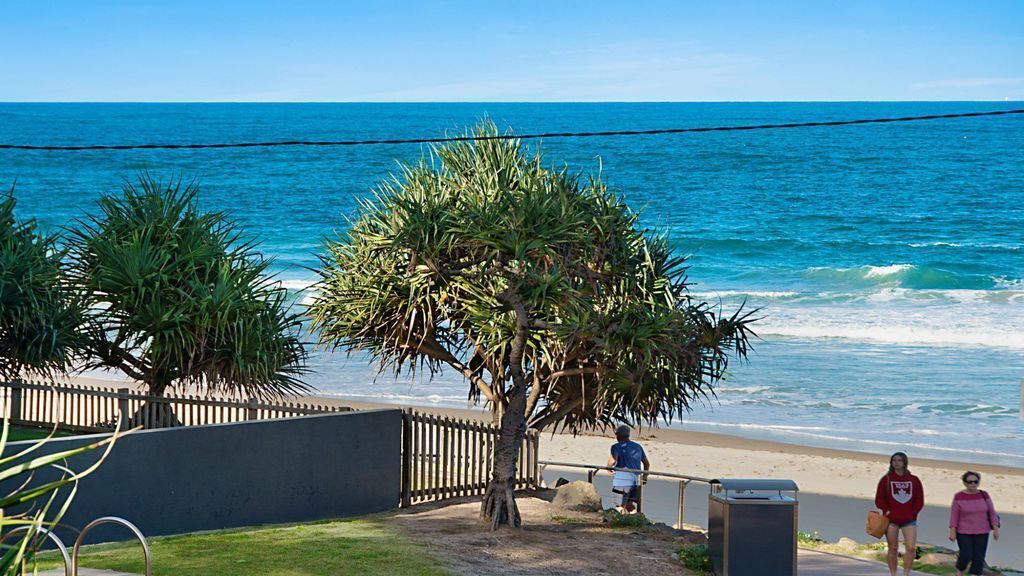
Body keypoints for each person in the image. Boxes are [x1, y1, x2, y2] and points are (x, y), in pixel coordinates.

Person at [875, 451, 924, 576]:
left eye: (899, 460)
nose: (896, 463)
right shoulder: (886, 479)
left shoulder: (914, 480)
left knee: (911, 548)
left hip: (909, 519)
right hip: (891, 520)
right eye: (894, 460)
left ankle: (906, 573)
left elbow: (919, 499)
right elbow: (879, 499)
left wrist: (913, 513)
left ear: (904, 462)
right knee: (893, 548)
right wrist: (887, 510)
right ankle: (894, 574)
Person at [949, 471, 1001, 576]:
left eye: (975, 482)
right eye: (970, 482)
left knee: (979, 556)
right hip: (963, 532)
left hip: (982, 531)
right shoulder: (959, 496)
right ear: (964, 483)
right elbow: (954, 515)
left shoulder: (984, 495)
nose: (973, 484)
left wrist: (996, 529)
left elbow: (992, 512)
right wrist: (952, 531)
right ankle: (960, 572)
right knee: (966, 554)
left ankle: (975, 574)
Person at [606, 424, 650, 513]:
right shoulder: (638, 447)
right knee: (630, 504)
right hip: (635, 479)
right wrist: (644, 477)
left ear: (619, 435)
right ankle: (634, 519)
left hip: (622, 480)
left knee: (619, 505)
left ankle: (621, 523)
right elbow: (646, 463)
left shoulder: (616, 447)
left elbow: (613, 460)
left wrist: (608, 468)